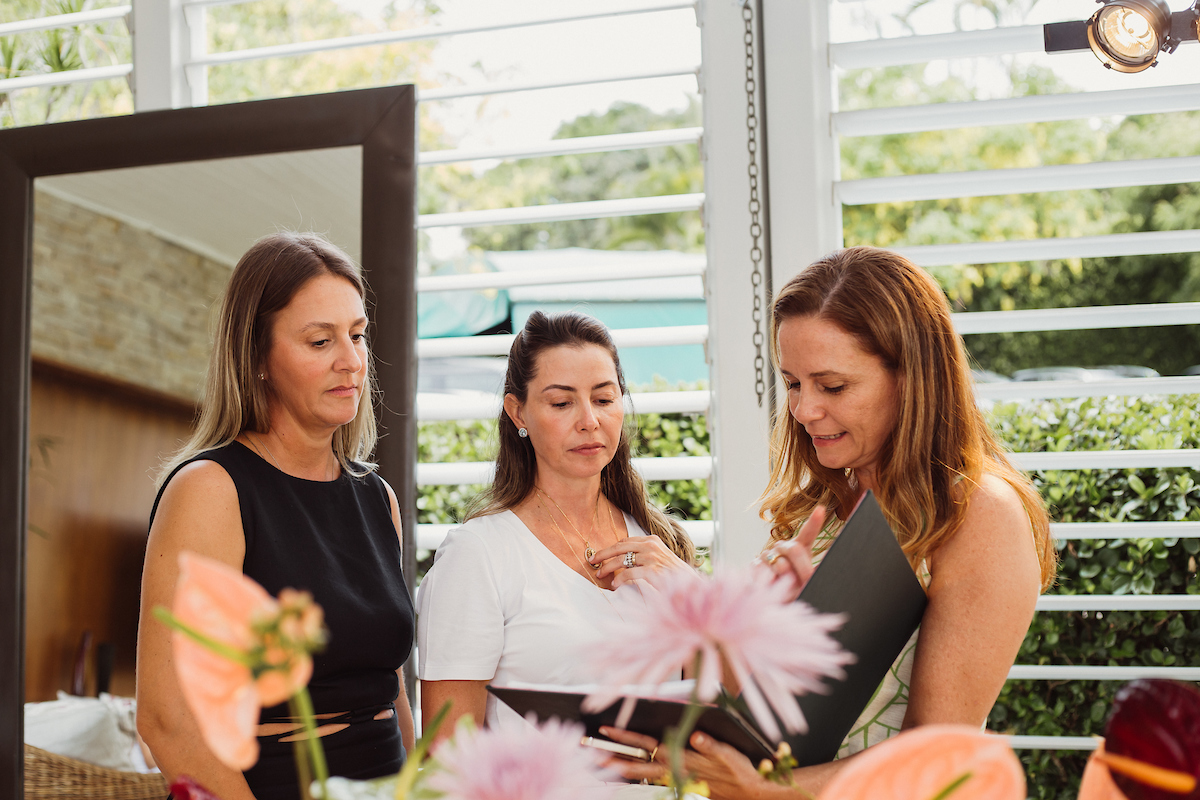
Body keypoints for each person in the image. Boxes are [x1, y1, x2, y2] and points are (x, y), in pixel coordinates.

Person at [604, 246, 1057, 798]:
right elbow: (786, 724)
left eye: (833, 386)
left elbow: (939, 757)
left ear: (912, 377)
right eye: (792, 383)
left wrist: (768, 791)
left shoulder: (978, 513)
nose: (803, 410)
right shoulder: (821, 509)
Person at [136, 233, 416, 800]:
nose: (352, 361)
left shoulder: (376, 496)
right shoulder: (211, 490)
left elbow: (392, 691)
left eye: (357, 336)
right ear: (258, 356)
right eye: (320, 341)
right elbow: (168, 721)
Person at [416, 310, 696, 741]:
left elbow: (709, 714)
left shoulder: (660, 542)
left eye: (604, 399)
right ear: (518, 412)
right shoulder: (480, 554)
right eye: (562, 403)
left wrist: (698, 598)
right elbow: (448, 758)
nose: (589, 420)